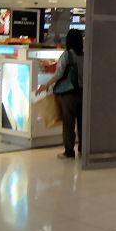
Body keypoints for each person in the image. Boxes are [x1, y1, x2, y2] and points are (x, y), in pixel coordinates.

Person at [37, 29, 84, 159]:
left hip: (68, 93)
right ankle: (83, 148)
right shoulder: (85, 55)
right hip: (83, 93)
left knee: (68, 123)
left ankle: (69, 151)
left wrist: (46, 85)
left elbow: (58, 74)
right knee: (82, 123)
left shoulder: (67, 55)